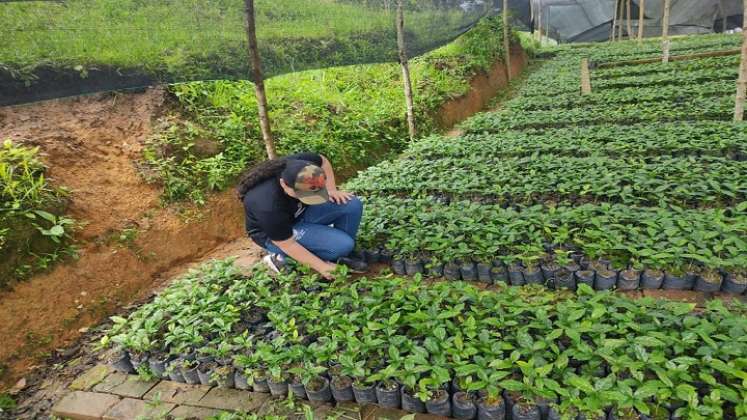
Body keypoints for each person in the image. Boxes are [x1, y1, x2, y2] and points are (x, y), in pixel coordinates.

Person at [237, 152, 367, 279]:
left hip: (299, 213)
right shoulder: (266, 204)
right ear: (284, 184)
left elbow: (323, 160)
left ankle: (338, 253)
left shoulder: (303, 164)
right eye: (304, 194)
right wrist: (321, 267)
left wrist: (332, 190)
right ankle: (279, 258)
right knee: (341, 245)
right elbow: (287, 243)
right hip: (275, 235)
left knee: (351, 204)